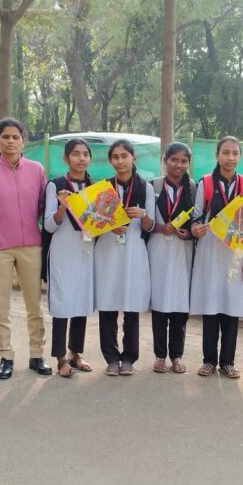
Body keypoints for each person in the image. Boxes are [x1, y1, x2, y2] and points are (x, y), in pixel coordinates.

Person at [0, 118, 51, 378]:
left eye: (15, 136)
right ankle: (6, 356)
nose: (10, 141)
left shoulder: (37, 169)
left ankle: (37, 354)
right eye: (5, 137)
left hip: (31, 244)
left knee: (34, 304)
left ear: (23, 141)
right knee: (1, 304)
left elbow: (41, 205)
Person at [190, 136, 243, 379]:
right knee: (211, 306)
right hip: (210, 251)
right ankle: (208, 361)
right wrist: (195, 228)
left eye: (235, 153)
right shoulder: (205, 183)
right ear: (217, 155)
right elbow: (196, 216)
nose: (230, 157)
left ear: (240, 156)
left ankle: (228, 361)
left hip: (235, 253)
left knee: (231, 306)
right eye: (225, 152)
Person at [94, 139, 155, 376]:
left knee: (131, 306)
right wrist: (108, 227)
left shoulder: (145, 188)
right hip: (108, 252)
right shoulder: (103, 188)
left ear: (133, 158)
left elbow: (150, 226)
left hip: (133, 253)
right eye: (115, 157)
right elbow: (93, 224)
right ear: (111, 161)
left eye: (124, 156)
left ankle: (129, 358)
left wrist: (143, 214)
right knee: (108, 303)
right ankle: (111, 358)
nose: (120, 161)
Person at [43, 138, 97, 378]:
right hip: (63, 250)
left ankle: (75, 352)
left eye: (85, 154)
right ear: (66, 158)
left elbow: (100, 222)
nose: (81, 158)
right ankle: (60, 357)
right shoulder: (55, 186)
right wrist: (63, 206)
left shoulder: (95, 187)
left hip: (86, 249)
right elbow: (49, 225)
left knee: (81, 299)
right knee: (63, 301)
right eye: (76, 154)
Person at [148, 142, 196, 374]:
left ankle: (177, 355)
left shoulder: (194, 187)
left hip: (183, 252)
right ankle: (159, 355)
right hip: (158, 250)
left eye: (183, 161)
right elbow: (145, 221)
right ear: (164, 161)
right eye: (174, 160)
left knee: (179, 305)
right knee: (159, 304)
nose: (179, 165)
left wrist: (190, 233)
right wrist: (160, 228)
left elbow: (199, 219)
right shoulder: (153, 186)